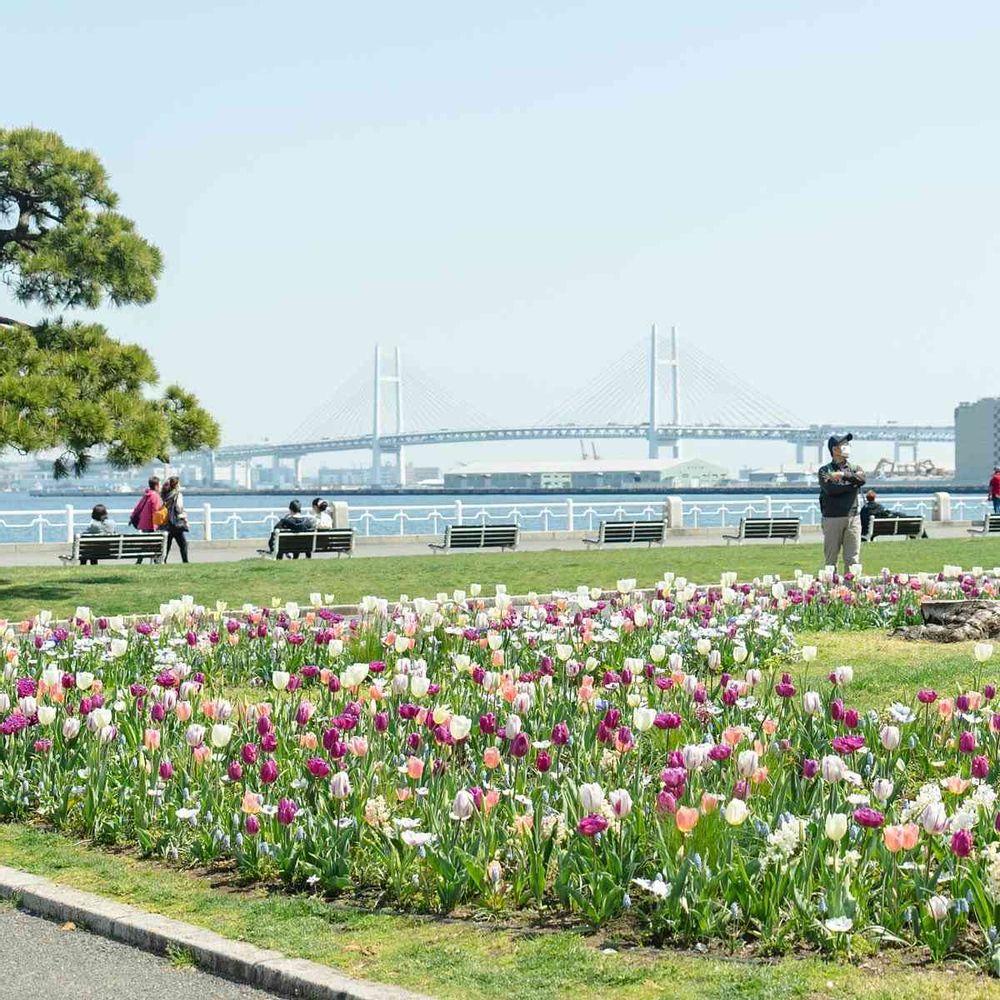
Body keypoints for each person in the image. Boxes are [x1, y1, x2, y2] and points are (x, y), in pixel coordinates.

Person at [818, 433, 866, 571]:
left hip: (853, 518)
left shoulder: (855, 467)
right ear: (834, 449)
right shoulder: (824, 470)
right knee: (831, 560)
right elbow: (830, 490)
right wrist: (852, 486)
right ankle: (830, 589)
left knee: (853, 559)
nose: (847, 447)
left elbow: (862, 479)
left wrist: (843, 475)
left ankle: (850, 589)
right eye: (843, 444)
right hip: (832, 518)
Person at [130, 476, 164, 563]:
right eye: (160, 485)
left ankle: (139, 561)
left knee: (144, 544)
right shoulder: (155, 496)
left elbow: (138, 507)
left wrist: (132, 517)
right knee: (155, 544)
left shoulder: (147, 495)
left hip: (143, 523)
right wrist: (156, 525)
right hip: (151, 524)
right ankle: (156, 561)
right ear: (156, 486)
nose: (160, 487)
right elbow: (155, 511)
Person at [161, 475, 190, 563]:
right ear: (176, 485)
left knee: (167, 544)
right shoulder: (177, 494)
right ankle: (185, 561)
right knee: (183, 543)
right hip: (175, 522)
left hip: (166, 522)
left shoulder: (164, 494)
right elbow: (178, 507)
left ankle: (163, 560)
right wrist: (184, 516)